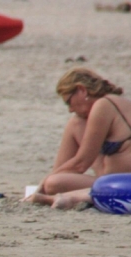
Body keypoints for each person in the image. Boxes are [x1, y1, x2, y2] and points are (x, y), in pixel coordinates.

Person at [25, 68, 131, 209]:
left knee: (53, 183)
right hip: (108, 181)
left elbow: (81, 163)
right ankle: (58, 194)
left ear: (82, 90)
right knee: (76, 123)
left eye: (69, 102)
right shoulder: (105, 106)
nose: (70, 109)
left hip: (124, 183)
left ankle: (58, 195)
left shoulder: (104, 104)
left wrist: (43, 183)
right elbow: (63, 168)